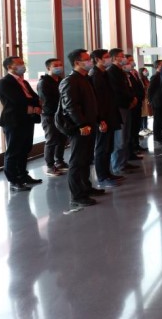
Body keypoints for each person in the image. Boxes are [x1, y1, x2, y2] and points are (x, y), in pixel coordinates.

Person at [58, 49, 105, 208]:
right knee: (77, 161)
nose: (90, 61)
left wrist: (98, 119)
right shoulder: (70, 81)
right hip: (80, 128)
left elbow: (92, 103)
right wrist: (81, 124)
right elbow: (70, 106)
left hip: (90, 125)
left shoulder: (86, 79)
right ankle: (77, 195)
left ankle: (86, 187)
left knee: (86, 159)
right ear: (77, 62)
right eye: (86, 59)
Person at [0, 56, 43, 191]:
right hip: (13, 121)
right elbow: (18, 100)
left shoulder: (24, 82)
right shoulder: (4, 82)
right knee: (13, 151)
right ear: (10, 67)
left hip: (27, 119)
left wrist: (35, 105)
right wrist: (33, 105)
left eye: (23, 63)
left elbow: (35, 97)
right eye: (19, 63)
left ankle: (23, 175)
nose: (23, 65)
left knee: (25, 149)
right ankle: (13, 180)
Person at [89, 49, 122, 188]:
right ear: (98, 59)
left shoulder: (104, 73)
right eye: (106, 57)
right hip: (103, 117)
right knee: (102, 148)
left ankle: (108, 173)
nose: (109, 59)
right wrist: (100, 119)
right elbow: (97, 100)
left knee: (108, 147)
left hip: (110, 114)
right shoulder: (94, 75)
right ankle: (102, 176)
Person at [106, 48, 137, 176]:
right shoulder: (111, 71)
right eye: (121, 56)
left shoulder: (121, 71)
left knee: (126, 136)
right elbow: (117, 91)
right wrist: (129, 100)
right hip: (120, 107)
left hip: (127, 105)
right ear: (114, 58)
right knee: (120, 138)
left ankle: (124, 162)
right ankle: (118, 165)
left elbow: (128, 87)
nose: (124, 58)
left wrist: (132, 98)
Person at [37, 58, 68, 176]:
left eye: (60, 64)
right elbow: (47, 101)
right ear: (48, 68)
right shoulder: (44, 82)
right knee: (51, 139)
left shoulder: (61, 80)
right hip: (49, 115)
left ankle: (59, 161)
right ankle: (50, 166)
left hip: (61, 115)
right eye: (56, 65)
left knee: (62, 139)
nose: (59, 67)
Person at [148, 60, 162, 143]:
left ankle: (161, 134)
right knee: (157, 120)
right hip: (157, 102)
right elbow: (150, 90)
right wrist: (150, 100)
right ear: (157, 66)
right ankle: (157, 137)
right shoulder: (155, 76)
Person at [138, 67, 152, 136]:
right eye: (145, 70)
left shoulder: (146, 79)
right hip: (143, 98)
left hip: (147, 98)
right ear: (141, 72)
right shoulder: (140, 80)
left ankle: (146, 127)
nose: (147, 71)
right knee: (143, 114)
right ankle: (142, 128)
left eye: (146, 70)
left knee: (146, 113)